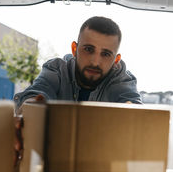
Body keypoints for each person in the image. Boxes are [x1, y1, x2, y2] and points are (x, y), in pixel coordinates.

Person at [13, 16, 142, 114]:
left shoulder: (121, 78)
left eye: (106, 54)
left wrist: (132, 111)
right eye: (88, 49)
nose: (95, 62)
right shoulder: (57, 70)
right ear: (74, 49)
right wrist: (31, 109)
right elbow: (39, 91)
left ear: (116, 60)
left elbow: (132, 106)